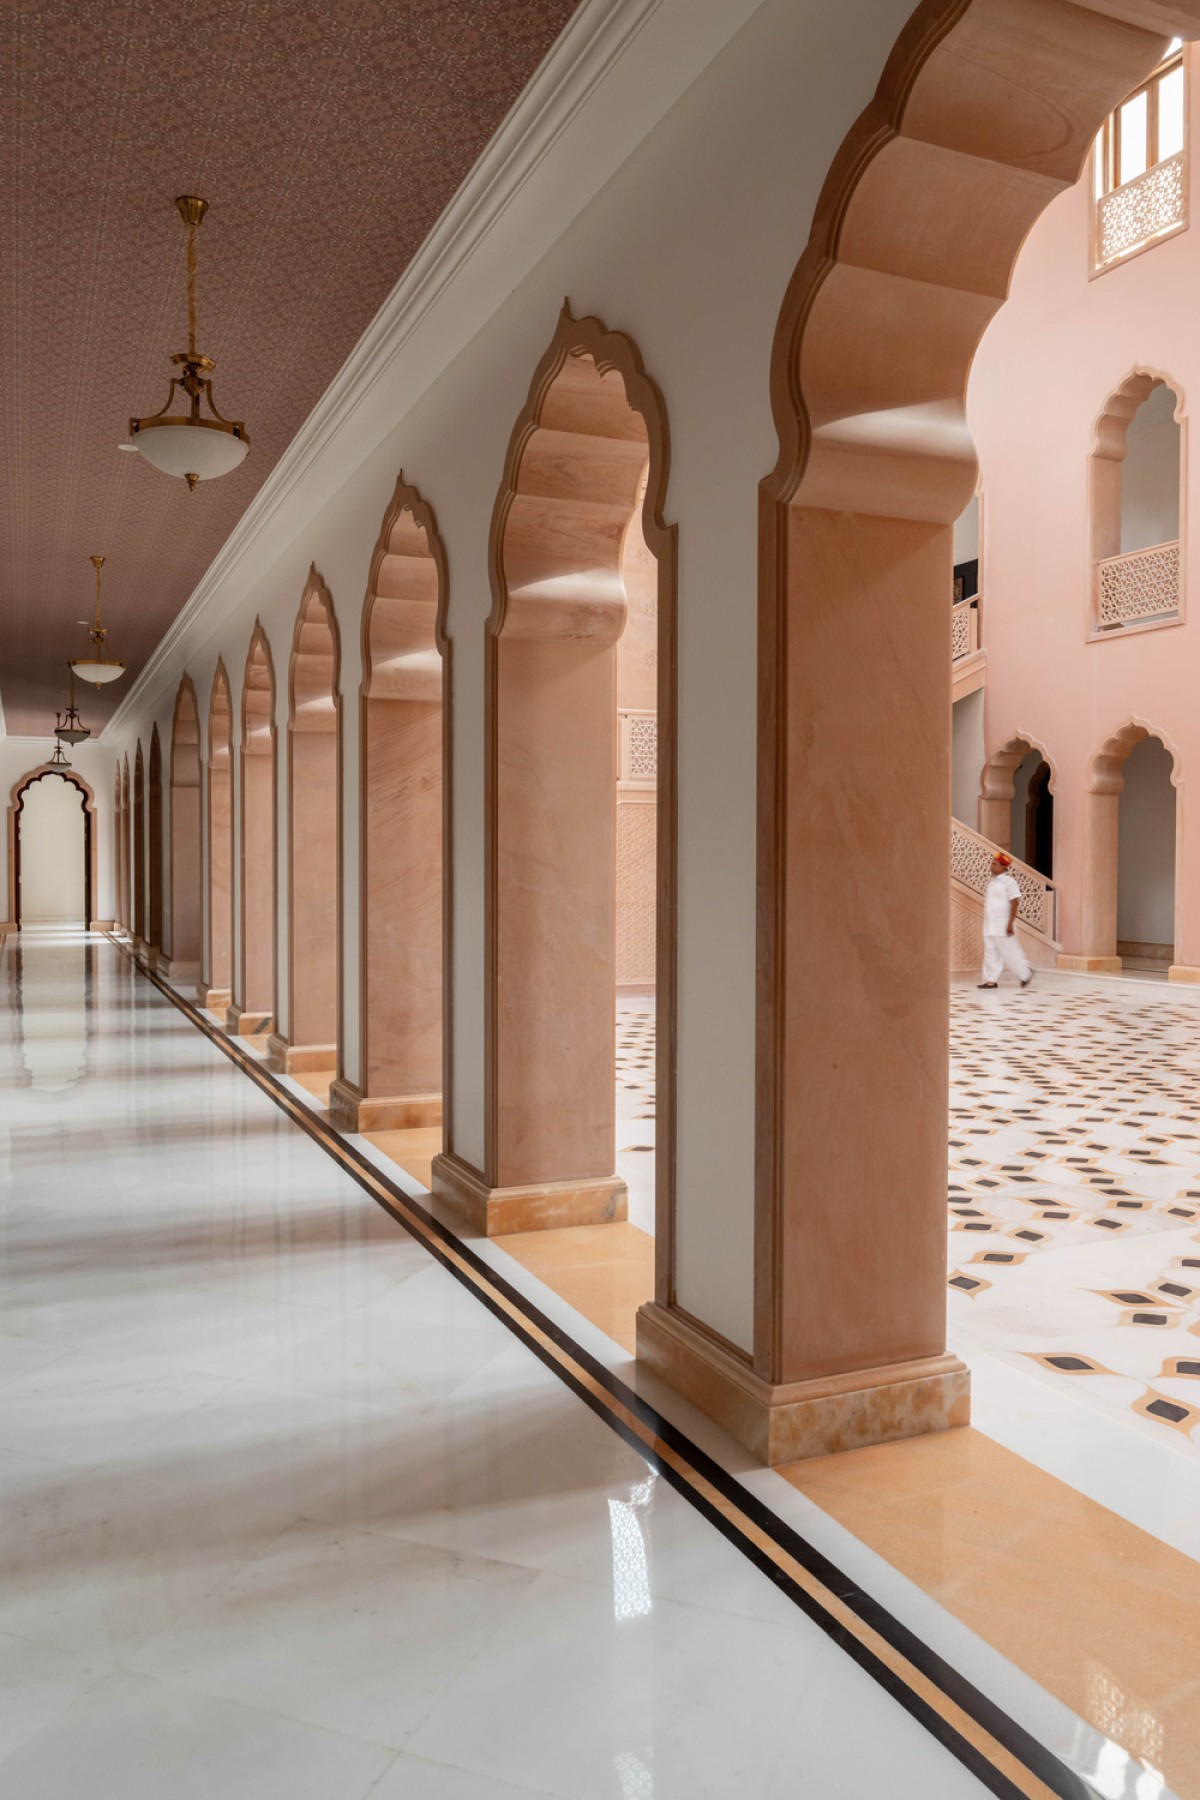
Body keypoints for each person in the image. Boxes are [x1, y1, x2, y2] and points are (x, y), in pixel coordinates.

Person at [978, 850, 1033, 989]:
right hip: (989, 924)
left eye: (994, 864)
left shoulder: (1010, 882)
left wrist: (1009, 924)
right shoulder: (992, 883)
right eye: (991, 863)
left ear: (1003, 867)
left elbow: (1015, 903)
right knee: (990, 952)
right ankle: (990, 980)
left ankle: (1026, 973)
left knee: (1009, 952)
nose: (991, 866)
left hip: (1003, 925)